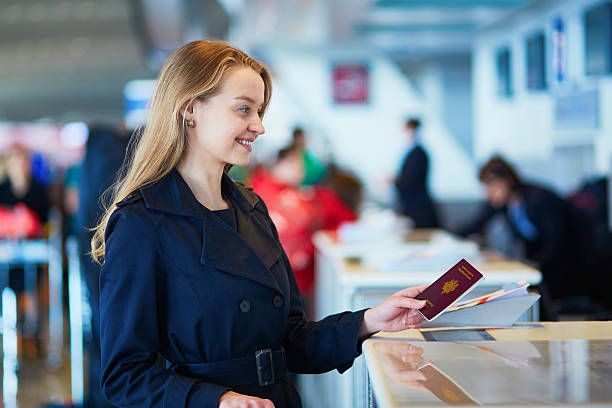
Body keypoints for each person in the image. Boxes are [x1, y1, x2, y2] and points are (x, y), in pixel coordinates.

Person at [91, 40, 427, 408]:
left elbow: (290, 341)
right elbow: (124, 376)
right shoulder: (142, 222)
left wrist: (368, 321)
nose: (259, 126)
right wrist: (217, 400)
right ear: (190, 108)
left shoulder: (251, 208)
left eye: (260, 111)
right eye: (243, 110)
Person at [456, 156, 606, 305]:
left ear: (507, 181)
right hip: (545, 267)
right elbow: (475, 223)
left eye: (492, 187)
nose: (488, 193)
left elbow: (555, 243)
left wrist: (524, 264)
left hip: (571, 263)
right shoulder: (504, 203)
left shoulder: (539, 199)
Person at [250, 146, 356, 306]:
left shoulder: (286, 192)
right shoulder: (275, 196)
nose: (301, 170)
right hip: (286, 278)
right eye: (295, 164)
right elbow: (296, 227)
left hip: (290, 277)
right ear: (279, 164)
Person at [77, 124, 131, 408]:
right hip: (110, 244)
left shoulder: (97, 156)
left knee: (103, 329)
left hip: (96, 244)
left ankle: (103, 398)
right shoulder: (109, 156)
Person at [395, 118, 439, 228]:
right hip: (413, 205)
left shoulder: (418, 153)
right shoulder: (414, 152)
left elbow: (410, 179)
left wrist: (393, 180)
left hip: (418, 207)